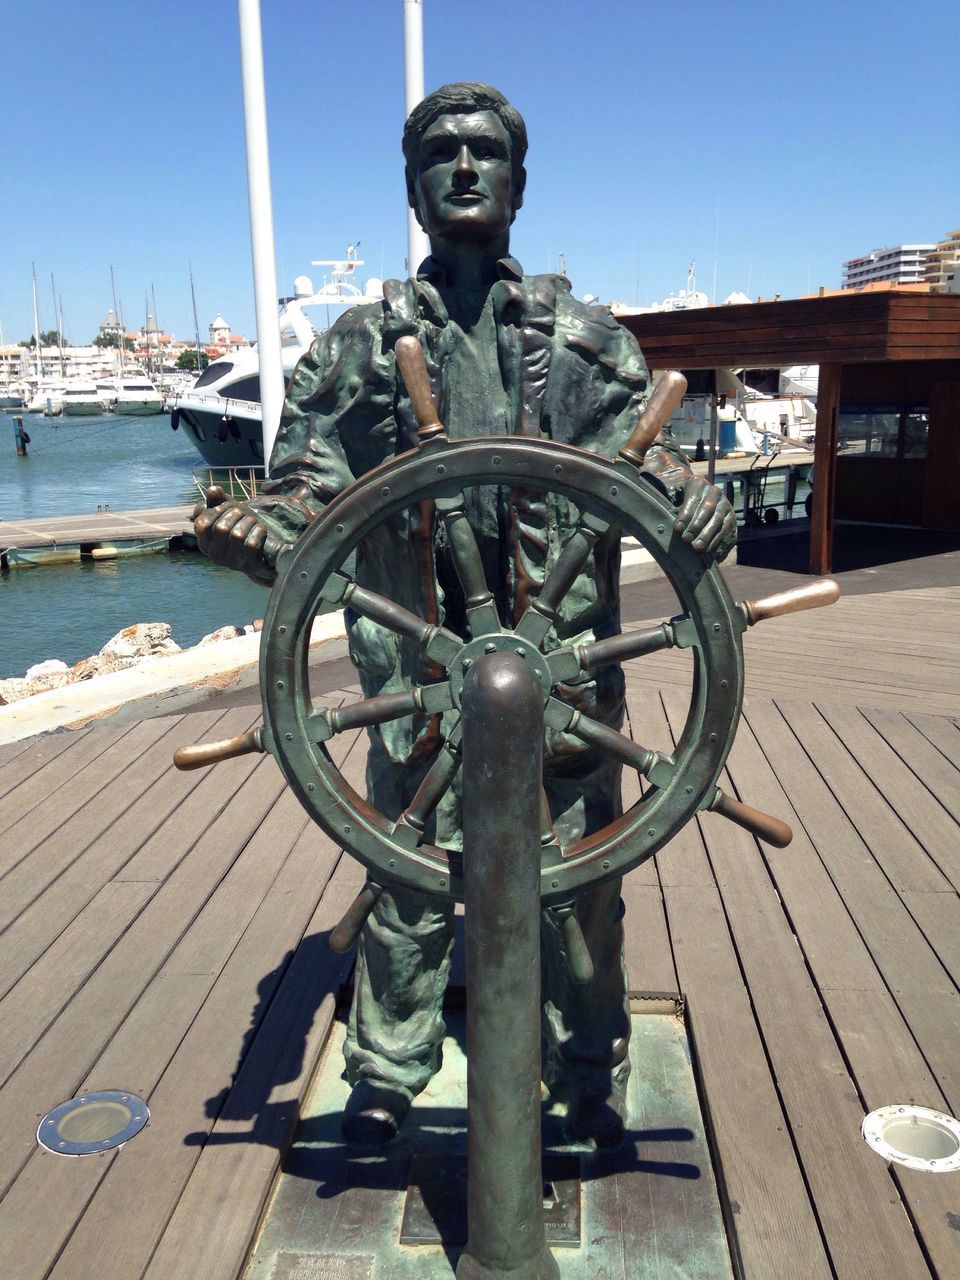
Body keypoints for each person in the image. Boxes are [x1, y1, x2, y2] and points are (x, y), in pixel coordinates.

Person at [196, 82, 736, 1149]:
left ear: (519, 183)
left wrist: (691, 490)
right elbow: (308, 484)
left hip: (567, 669)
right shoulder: (359, 345)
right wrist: (260, 528)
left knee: (580, 880)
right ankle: (389, 1066)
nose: (463, 167)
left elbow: (652, 454)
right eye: (439, 153)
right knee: (407, 871)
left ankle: (589, 1062)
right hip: (418, 665)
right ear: (412, 185)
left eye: (485, 152)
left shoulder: (584, 341)